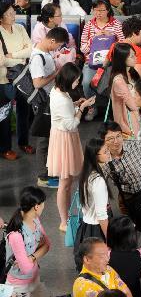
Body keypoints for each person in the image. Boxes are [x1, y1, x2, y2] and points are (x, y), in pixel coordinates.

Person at [100, 123, 141, 276]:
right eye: (110, 139)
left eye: (118, 136)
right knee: (127, 239)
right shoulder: (104, 158)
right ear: (104, 141)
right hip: (126, 201)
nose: (116, 141)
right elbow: (98, 182)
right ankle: (131, 270)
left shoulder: (136, 145)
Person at [47, 63, 90, 230]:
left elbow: (66, 114)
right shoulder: (61, 99)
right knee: (64, 182)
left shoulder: (59, 91)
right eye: (76, 80)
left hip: (63, 137)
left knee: (67, 181)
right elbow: (71, 124)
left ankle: (65, 218)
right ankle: (63, 221)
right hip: (64, 139)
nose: (77, 83)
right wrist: (82, 108)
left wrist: (76, 104)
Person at [30, 26, 68, 188]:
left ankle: (49, 172)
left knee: (50, 139)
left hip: (50, 101)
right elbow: (37, 83)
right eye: (58, 45)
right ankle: (43, 177)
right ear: (52, 41)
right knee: (43, 141)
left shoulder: (45, 53)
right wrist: (56, 74)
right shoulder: (38, 57)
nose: (57, 48)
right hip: (44, 102)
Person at [0, 0, 32, 160]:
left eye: (14, 12)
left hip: (22, 76)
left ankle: (23, 142)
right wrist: (20, 59)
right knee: (4, 115)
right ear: (1, 17)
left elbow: (30, 49)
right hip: (4, 79)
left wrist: (14, 56)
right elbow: (1, 60)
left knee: (23, 111)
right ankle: (5, 148)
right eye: (10, 13)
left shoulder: (20, 28)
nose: (14, 15)